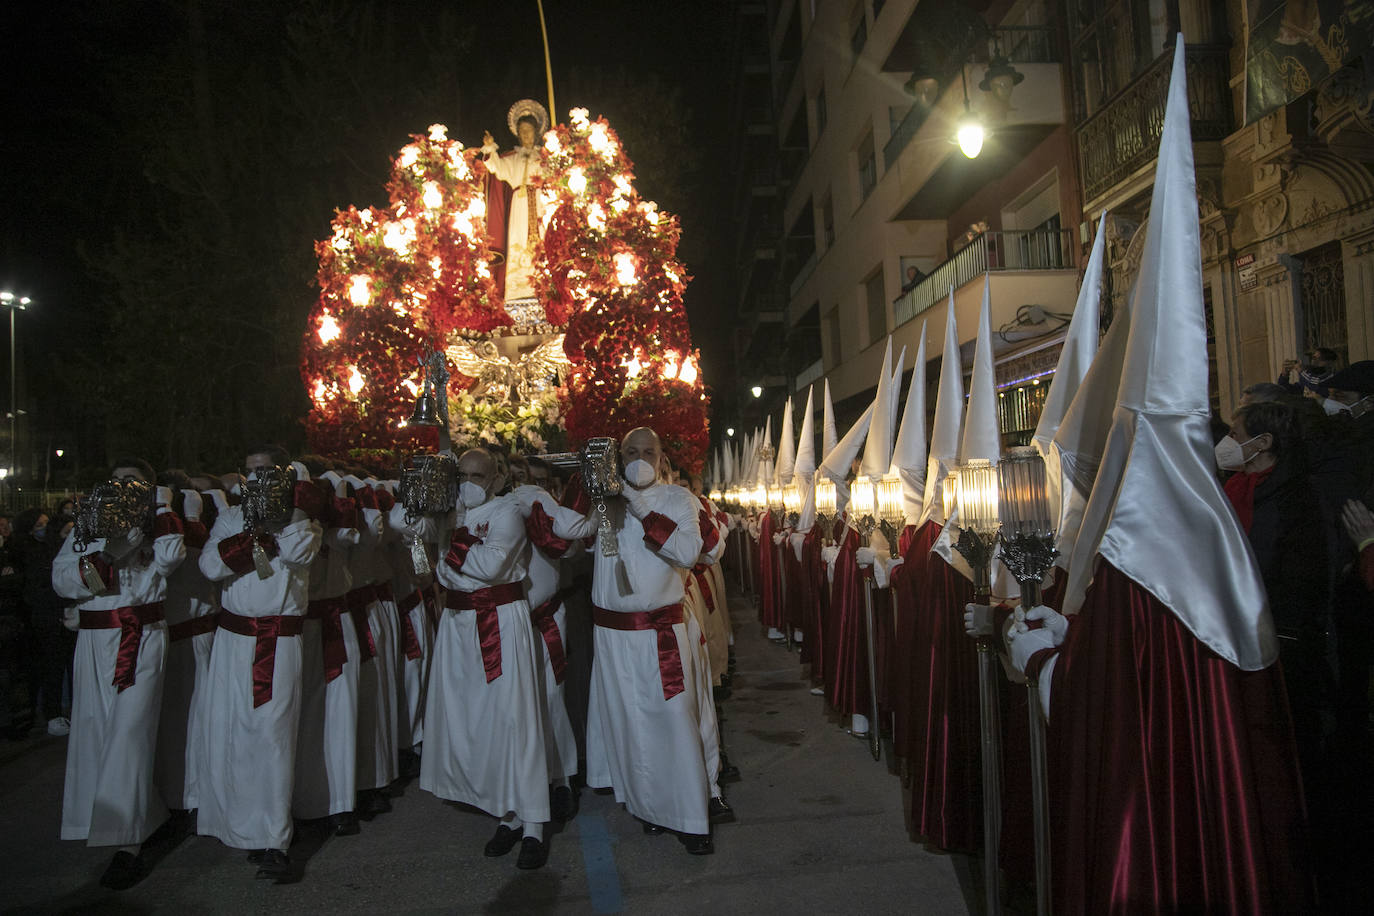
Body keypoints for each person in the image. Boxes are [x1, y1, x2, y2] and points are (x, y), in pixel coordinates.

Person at [544, 428, 715, 854]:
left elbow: (687, 553)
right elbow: (563, 541)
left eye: (649, 452)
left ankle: (691, 817)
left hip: (660, 633)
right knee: (629, 724)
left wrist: (638, 507)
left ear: (661, 459)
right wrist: (583, 488)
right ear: (619, 457)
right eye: (631, 452)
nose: (640, 459)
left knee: (672, 722)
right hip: (612, 636)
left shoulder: (679, 500)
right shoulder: (606, 502)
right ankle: (649, 807)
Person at [52, 458, 186, 889]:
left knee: (129, 732)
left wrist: (157, 518)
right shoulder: (86, 530)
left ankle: (126, 845)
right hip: (93, 645)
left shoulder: (160, 529)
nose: (122, 491)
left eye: (133, 485)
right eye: (116, 483)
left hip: (141, 637)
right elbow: (63, 581)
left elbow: (170, 562)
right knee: (99, 731)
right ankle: (149, 815)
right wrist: (109, 554)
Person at [420, 447, 552, 870]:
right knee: (478, 719)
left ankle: (534, 823)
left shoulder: (507, 512)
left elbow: (492, 566)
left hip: (498, 623)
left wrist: (454, 551)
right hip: (458, 626)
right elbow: (432, 565)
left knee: (515, 719)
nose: (467, 484)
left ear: (495, 480)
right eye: (461, 475)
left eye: (477, 476)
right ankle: (506, 812)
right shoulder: (453, 514)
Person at [197, 446, 323, 879]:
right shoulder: (231, 517)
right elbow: (211, 567)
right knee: (231, 732)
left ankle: (274, 838)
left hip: (277, 639)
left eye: (266, 471)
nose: (256, 480)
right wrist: (253, 536)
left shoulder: (301, 518)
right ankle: (237, 824)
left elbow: (299, 554)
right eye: (250, 472)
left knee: (273, 735)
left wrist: (279, 521)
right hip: (232, 639)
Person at [482, 99, 549, 304]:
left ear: (536, 132)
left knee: (543, 243)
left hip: (540, 205)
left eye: (528, 131)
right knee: (517, 241)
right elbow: (497, 167)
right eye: (522, 132)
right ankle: (518, 291)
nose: (525, 135)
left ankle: (544, 287)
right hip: (519, 208)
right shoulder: (513, 158)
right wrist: (489, 148)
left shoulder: (546, 158)